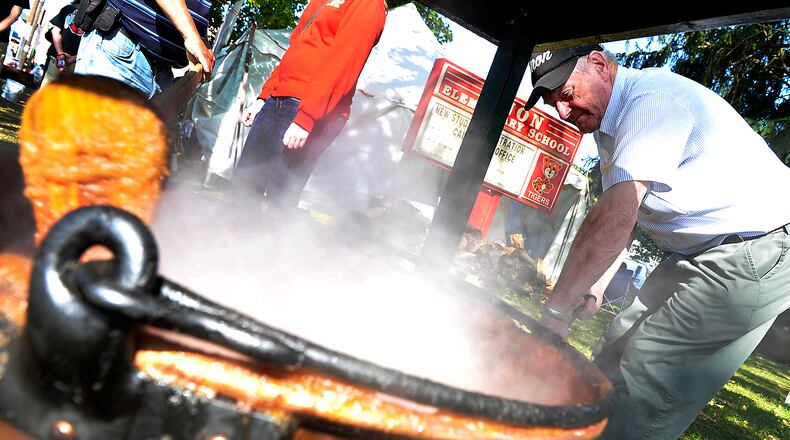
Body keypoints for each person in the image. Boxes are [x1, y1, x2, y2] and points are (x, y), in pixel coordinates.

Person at [525, 44, 790, 439]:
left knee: (649, 371)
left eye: (566, 95)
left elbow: (617, 215)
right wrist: (595, 286)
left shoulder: (651, 102)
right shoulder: (609, 128)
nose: (563, 112)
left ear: (599, 64)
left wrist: (556, 313)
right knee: (612, 351)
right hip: (699, 252)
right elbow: (626, 221)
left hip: (759, 249)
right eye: (553, 103)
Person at [233, 0, 387, 213]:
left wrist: (307, 117)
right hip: (278, 98)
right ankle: (231, 242)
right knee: (245, 181)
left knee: (281, 197)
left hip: (312, 109)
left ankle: (272, 246)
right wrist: (264, 98)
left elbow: (343, 62)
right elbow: (296, 50)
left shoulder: (368, 4)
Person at [74, 0, 214, 98]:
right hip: (119, 55)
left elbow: (196, 15)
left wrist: (203, 46)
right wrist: (192, 36)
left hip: (161, 74)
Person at [41, 1, 81, 87]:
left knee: (46, 91)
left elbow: (55, 31)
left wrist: (60, 53)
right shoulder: (96, 17)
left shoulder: (68, 8)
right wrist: (74, 58)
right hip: (74, 61)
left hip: (58, 57)